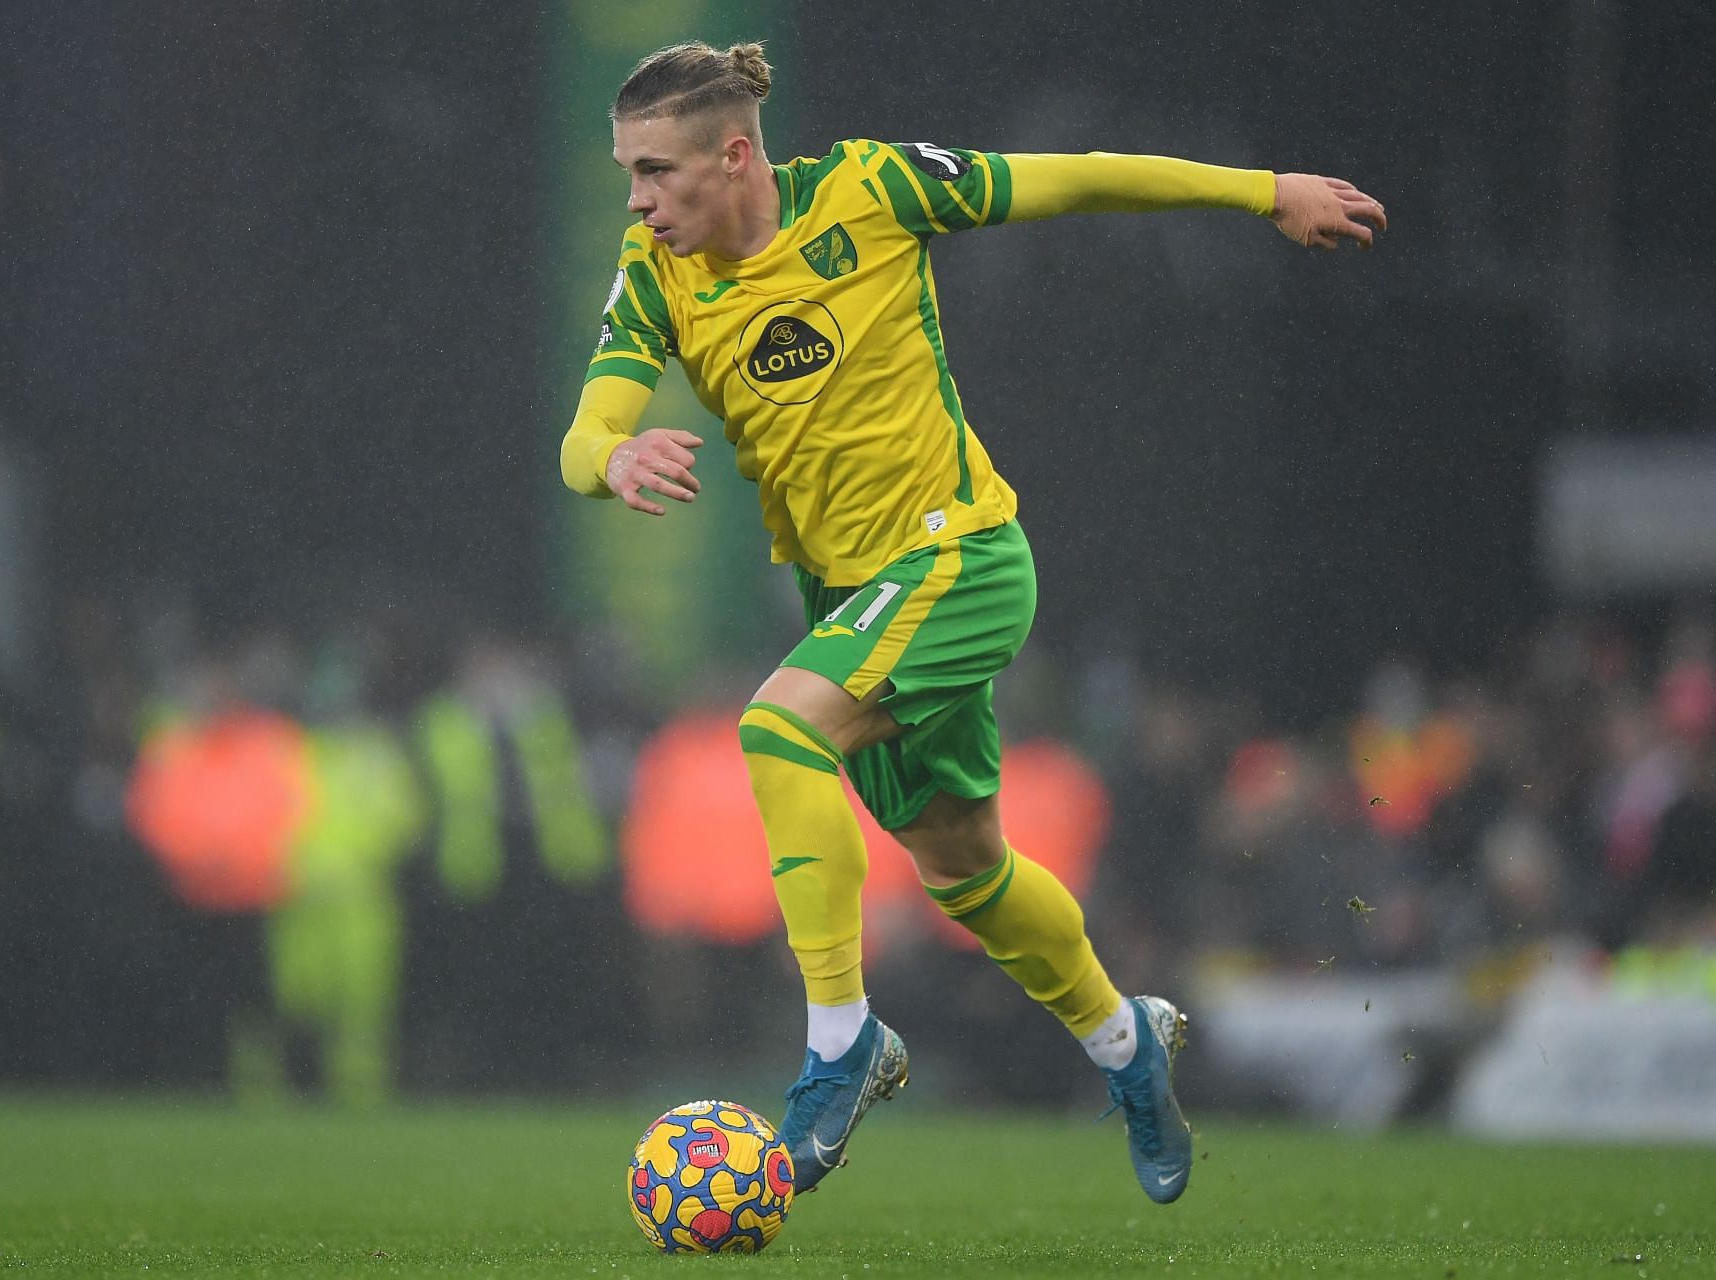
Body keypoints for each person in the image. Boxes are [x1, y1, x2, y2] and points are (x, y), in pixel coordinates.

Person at [559, 39, 1385, 1204]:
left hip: (960, 555)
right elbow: (580, 435)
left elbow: (1077, 175)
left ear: (733, 154)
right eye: (626, 175)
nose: (637, 201)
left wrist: (1264, 193)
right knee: (969, 872)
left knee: (774, 729)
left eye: (654, 171)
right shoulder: (656, 274)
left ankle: (842, 1043)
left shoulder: (874, 190)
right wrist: (613, 452)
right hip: (854, 597)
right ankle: (1125, 1043)